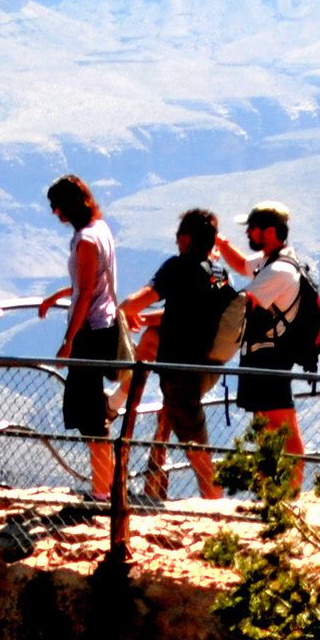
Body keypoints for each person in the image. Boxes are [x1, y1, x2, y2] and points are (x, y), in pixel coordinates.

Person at [118, 208, 242, 498]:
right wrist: (147, 320)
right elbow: (188, 312)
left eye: (177, 236)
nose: (176, 242)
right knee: (151, 339)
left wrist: (125, 313)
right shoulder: (218, 273)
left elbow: (134, 303)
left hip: (179, 374)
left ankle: (216, 513)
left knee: (198, 453)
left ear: (185, 238)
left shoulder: (177, 268)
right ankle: (156, 482)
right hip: (209, 367)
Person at [32, 174, 125, 497]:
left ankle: (103, 493)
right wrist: (56, 296)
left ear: (67, 206)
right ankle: (108, 487)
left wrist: (68, 341)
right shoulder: (101, 230)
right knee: (92, 410)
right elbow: (92, 282)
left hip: (90, 332)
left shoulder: (86, 239)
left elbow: (86, 293)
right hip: (105, 324)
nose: (55, 213)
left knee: (89, 415)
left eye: (57, 206)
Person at [236, 201, 311, 493]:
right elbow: (243, 264)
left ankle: (290, 496)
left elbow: (244, 302)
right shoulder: (272, 261)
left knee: (283, 429)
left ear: (268, 231)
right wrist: (221, 243)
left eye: (252, 228)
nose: (248, 232)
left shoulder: (278, 270)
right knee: (266, 431)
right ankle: (271, 494)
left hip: (270, 358)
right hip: (261, 356)